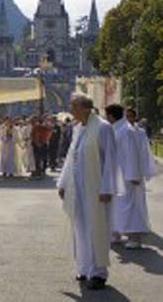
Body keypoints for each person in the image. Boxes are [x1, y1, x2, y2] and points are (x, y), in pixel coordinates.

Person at [57, 95, 119, 291]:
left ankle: (99, 273)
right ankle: (84, 268)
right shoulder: (78, 128)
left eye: (73, 106)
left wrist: (107, 188)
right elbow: (71, 156)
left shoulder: (103, 128)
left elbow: (111, 159)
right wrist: (63, 183)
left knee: (96, 228)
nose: (71, 110)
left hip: (96, 188)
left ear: (85, 108)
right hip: (78, 188)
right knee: (80, 228)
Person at [107, 106, 154, 249]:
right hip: (117, 175)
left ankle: (135, 237)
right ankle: (115, 233)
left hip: (127, 177)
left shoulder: (126, 131)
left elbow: (131, 154)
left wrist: (133, 175)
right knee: (116, 206)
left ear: (111, 116)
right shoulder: (117, 129)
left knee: (130, 206)